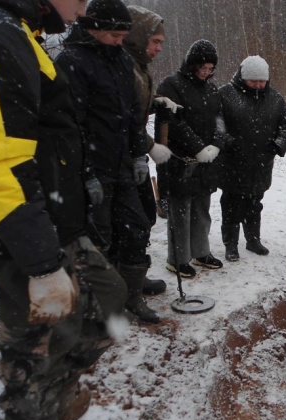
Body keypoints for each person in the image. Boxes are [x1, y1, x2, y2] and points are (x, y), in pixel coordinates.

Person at [0, 0, 127, 420]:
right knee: (33, 351)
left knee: (106, 301)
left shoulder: (15, 30)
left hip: (51, 216)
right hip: (21, 229)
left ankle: (56, 397)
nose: (84, 4)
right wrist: (40, 263)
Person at [56, 0, 161, 323]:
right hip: (93, 170)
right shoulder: (72, 61)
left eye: (122, 35)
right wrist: (86, 173)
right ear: (94, 29)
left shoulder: (119, 60)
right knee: (98, 238)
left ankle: (131, 296)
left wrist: (138, 155)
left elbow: (131, 114)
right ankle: (97, 306)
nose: (119, 41)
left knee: (137, 227)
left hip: (123, 167)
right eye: (114, 35)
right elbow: (73, 125)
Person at [156, 40, 226, 277]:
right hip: (179, 160)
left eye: (211, 69)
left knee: (202, 207)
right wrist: (197, 148)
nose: (207, 73)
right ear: (192, 64)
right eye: (203, 68)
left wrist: (216, 144)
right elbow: (174, 123)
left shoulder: (212, 89)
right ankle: (177, 258)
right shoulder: (172, 85)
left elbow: (219, 119)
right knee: (181, 210)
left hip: (206, 161)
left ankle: (200, 251)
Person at [217, 55, 286, 262]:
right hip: (232, 162)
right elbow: (216, 122)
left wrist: (277, 145)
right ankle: (230, 244)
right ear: (243, 78)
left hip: (261, 162)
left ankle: (253, 240)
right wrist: (227, 141)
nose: (259, 85)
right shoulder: (225, 95)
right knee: (231, 204)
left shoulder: (275, 98)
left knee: (254, 202)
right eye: (254, 81)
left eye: (262, 81)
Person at [123, 4, 174, 296]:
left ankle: (135, 279)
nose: (158, 49)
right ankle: (127, 289)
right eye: (155, 42)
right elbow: (121, 116)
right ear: (139, 37)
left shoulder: (138, 66)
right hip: (122, 156)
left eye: (161, 43)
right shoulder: (124, 65)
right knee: (131, 222)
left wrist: (156, 102)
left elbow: (135, 104)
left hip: (134, 153)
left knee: (143, 217)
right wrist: (149, 145)